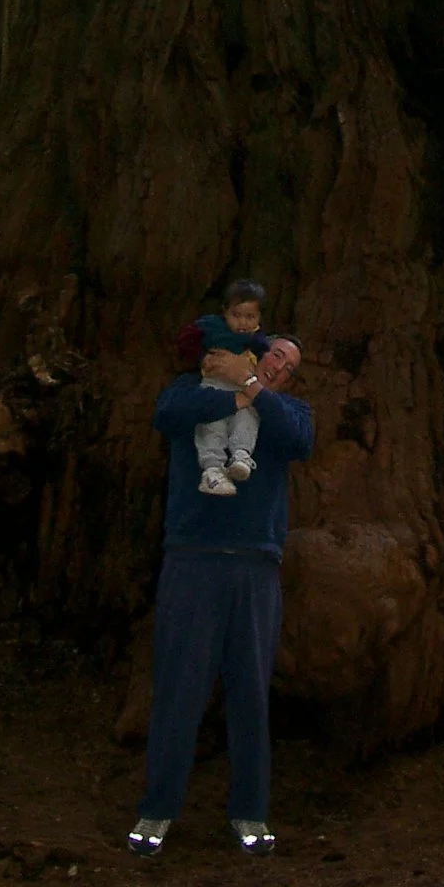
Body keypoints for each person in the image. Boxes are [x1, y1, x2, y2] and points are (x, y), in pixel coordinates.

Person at [127, 334, 312, 860]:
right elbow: (167, 415)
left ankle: (250, 814)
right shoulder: (192, 393)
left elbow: (298, 439)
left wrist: (250, 386)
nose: (281, 365)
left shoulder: (287, 411)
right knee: (178, 689)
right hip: (193, 561)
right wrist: (231, 387)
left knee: (251, 694)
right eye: (275, 353)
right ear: (255, 350)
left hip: (255, 568)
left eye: (289, 365)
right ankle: (156, 811)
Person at [180, 279, 271, 496]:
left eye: (250, 317)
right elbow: (186, 340)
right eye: (236, 315)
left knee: (249, 416)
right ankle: (212, 469)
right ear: (225, 312)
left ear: (259, 317)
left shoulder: (258, 340)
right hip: (214, 385)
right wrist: (202, 359)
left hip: (242, 388)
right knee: (212, 423)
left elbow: (262, 359)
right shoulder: (211, 326)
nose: (243, 323)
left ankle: (241, 455)